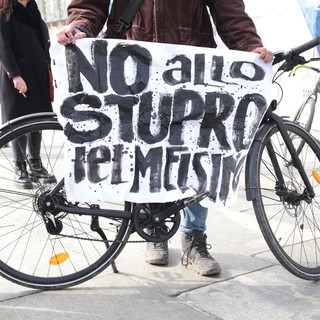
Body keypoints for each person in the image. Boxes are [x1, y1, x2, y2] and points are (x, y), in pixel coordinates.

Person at [56, 0, 273, 276]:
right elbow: (89, 3)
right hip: (134, 65)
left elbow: (228, 8)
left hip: (191, 68)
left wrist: (249, 47)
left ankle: (194, 236)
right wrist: (80, 27)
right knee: (145, 150)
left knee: (195, 152)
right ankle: (154, 227)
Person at [0, 0, 56, 188]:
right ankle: (20, 166)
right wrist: (15, 75)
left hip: (37, 71)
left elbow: (42, 41)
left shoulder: (32, 8)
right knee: (18, 121)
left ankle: (35, 165)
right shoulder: (4, 9)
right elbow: (3, 47)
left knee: (37, 120)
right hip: (16, 73)